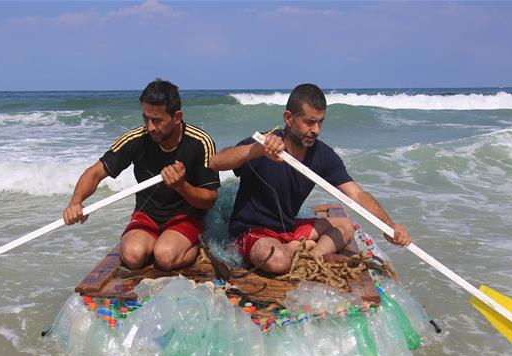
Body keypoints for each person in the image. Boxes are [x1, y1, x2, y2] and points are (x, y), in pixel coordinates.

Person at [208, 83, 410, 275]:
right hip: (253, 232)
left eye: (320, 121)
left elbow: (356, 193)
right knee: (276, 260)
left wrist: (389, 226)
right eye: (309, 122)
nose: (316, 130)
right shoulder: (264, 143)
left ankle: (311, 254)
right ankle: (298, 250)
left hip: (289, 229)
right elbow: (216, 162)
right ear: (288, 118)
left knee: (345, 226)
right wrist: (256, 150)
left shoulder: (322, 155)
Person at [63, 79, 220, 271]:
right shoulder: (136, 139)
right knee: (132, 256)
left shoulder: (200, 142)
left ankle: (195, 244)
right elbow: (94, 173)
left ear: (177, 117)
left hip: (185, 216)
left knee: (165, 257)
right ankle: (156, 242)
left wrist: (181, 186)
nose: (150, 127)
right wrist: (75, 202)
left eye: (157, 120)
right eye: (146, 118)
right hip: (148, 215)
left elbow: (210, 199)